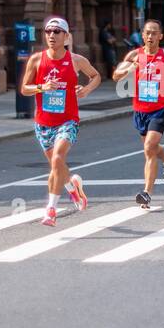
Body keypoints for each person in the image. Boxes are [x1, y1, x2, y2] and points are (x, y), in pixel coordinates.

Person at [21, 17, 102, 226]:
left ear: (66, 37)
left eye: (57, 31)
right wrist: (42, 87)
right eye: (48, 31)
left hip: (68, 120)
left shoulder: (75, 60)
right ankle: (74, 189)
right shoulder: (37, 60)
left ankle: (51, 210)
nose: (51, 35)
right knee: (56, 166)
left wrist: (85, 90)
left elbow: (96, 76)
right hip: (43, 122)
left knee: (57, 159)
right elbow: (24, 88)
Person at [113, 19, 164, 209]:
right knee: (152, 148)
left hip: (160, 108)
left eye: (154, 33)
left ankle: (147, 193)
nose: (151, 36)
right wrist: (130, 68)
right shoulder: (134, 55)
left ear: (161, 36)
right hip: (140, 110)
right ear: (143, 35)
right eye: (147, 33)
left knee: (149, 147)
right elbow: (115, 76)